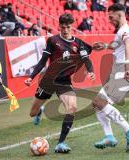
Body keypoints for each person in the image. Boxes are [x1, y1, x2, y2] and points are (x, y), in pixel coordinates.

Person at [24, 13, 95, 153]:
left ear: (72, 26)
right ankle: (40, 111)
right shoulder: (52, 40)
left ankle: (61, 143)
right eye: (63, 27)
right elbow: (42, 61)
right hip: (49, 80)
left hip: (64, 81)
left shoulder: (78, 43)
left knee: (72, 108)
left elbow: (86, 59)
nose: (65, 30)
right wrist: (31, 77)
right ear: (59, 27)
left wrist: (91, 71)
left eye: (68, 27)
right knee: (32, 113)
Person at [91, 3, 129, 152]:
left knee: (99, 102)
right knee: (97, 104)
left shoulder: (125, 31)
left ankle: (128, 130)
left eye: (111, 17)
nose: (109, 20)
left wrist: (127, 65)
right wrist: (105, 46)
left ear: (120, 14)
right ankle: (110, 136)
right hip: (120, 71)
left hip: (123, 71)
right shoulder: (121, 31)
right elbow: (118, 44)